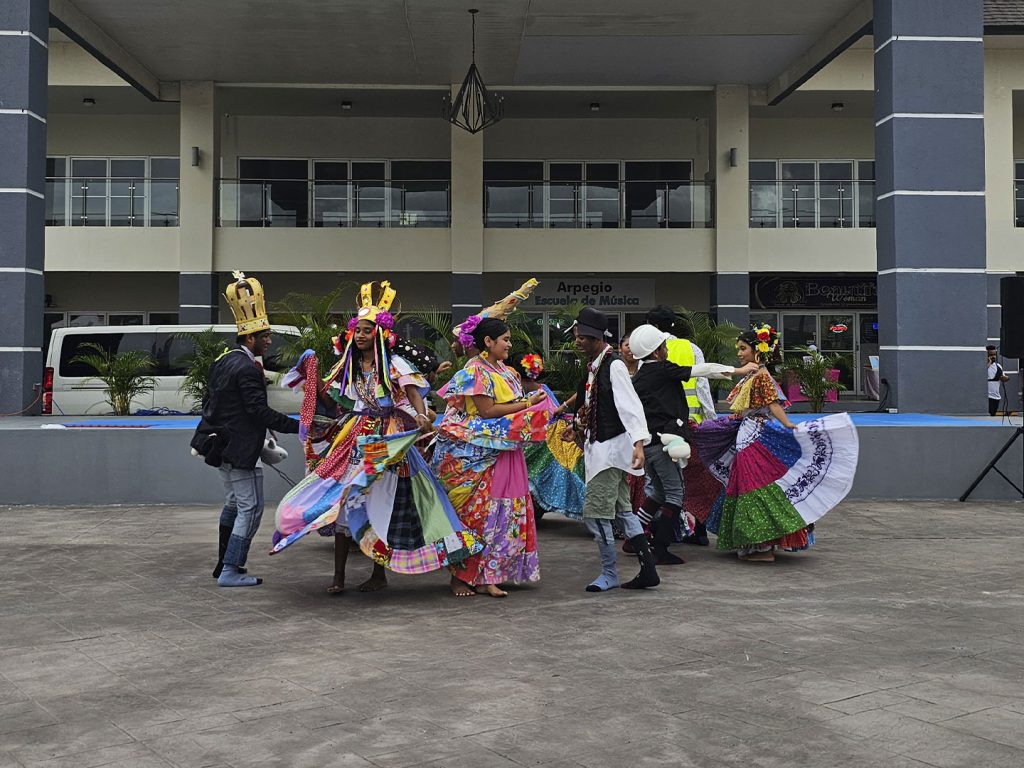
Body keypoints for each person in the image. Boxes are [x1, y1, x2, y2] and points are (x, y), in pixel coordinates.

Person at [270, 281, 481, 593]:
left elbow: (412, 391)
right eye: (358, 329)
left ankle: (391, 573)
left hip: (390, 440)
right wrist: (311, 374)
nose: (361, 335)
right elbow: (331, 398)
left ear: (380, 334)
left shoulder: (393, 363)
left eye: (367, 330)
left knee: (396, 503)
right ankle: (339, 576)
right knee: (345, 500)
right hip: (356, 438)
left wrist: (422, 416)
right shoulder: (349, 365)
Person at [686, 325, 859, 562]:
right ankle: (758, 545)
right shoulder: (752, 374)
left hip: (754, 437)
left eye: (743, 349)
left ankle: (762, 548)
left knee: (753, 489)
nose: (739, 353)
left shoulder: (761, 375)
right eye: (739, 349)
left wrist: (787, 424)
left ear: (758, 351)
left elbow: (773, 403)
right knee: (748, 489)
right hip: (747, 435)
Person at [191, 271, 300, 588]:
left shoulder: (225, 360)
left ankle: (222, 565)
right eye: (264, 336)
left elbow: (218, 404)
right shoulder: (247, 368)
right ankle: (229, 570)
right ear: (249, 338)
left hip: (220, 445)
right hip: (239, 450)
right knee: (250, 509)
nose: (269, 340)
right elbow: (258, 411)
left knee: (235, 504)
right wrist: (299, 426)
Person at [433, 317, 551, 597]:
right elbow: (486, 411)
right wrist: (527, 403)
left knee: (506, 512)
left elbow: (506, 406)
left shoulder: (505, 370)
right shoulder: (474, 370)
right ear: (488, 342)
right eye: (506, 339)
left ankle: (490, 575)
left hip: (505, 448)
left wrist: (528, 404)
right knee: (477, 513)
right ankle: (460, 576)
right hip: (478, 453)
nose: (509, 344)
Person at [627, 324, 756, 565]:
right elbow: (702, 371)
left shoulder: (640, 377)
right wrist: (738, 370)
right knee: (676, 494)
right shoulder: (663, 370)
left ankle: (632, 536)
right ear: (656, 352)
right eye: (663, 347)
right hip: (665, 443)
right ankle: (661, 549)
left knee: (657, 492)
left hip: (648, 444)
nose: (666, 350)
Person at [572, 307, 660, 592]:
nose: (577, 341)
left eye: (581, 336)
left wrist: (638, 444)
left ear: (595, 336)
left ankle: (609, 572)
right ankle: (648, 569)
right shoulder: (598, 364)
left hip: (609, 453)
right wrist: (581, 422)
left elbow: (630, 406)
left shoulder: (614, 364)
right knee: (624, 511)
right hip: (602, 450)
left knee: (597, 514)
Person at [645, 306, 716, 546]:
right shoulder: (691, 349)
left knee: (660, 484)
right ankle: (700, 531)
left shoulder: (645, 352)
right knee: (695, 479)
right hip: (691, 426)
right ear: (674, 325)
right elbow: (702, 388)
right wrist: (711, 423)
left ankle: (663, 531)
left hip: (658, 427)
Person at [516, 353, 586, 521]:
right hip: (560, 434)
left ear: (518, 375)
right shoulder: (544, 389)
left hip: (548, 440)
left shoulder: (525, 397)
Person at [987, 345, 1009, 417]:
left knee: (993, 415)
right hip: (987, 397)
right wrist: (988, 364)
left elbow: (1002, 376)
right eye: (990, 355)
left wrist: (1005, 378)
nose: (993, 357)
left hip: (996, 396)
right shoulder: (984, 366)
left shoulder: (998, 366)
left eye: (994, 355)